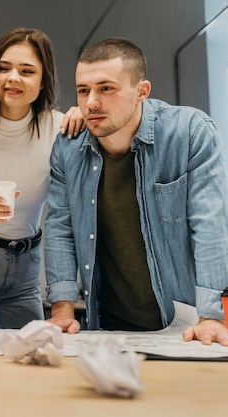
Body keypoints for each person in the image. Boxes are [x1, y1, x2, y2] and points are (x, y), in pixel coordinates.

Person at [45, 37, 228, 346]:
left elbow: (210, 225)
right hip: (108, 327)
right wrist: (62, 310)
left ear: (142, 91)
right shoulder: (68, 148)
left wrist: (211, 316)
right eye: (83, 91)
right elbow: (59, 227)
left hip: (186, 325)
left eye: (106, 88)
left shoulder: (189, 133)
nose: (91, 102)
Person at [0, 28, 84, 328]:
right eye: (4, 68)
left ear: (43, 80)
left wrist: (84, 115)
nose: (13, 78)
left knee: (35, 355)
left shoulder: (61, 129)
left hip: (27, 270)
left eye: (27, 71)